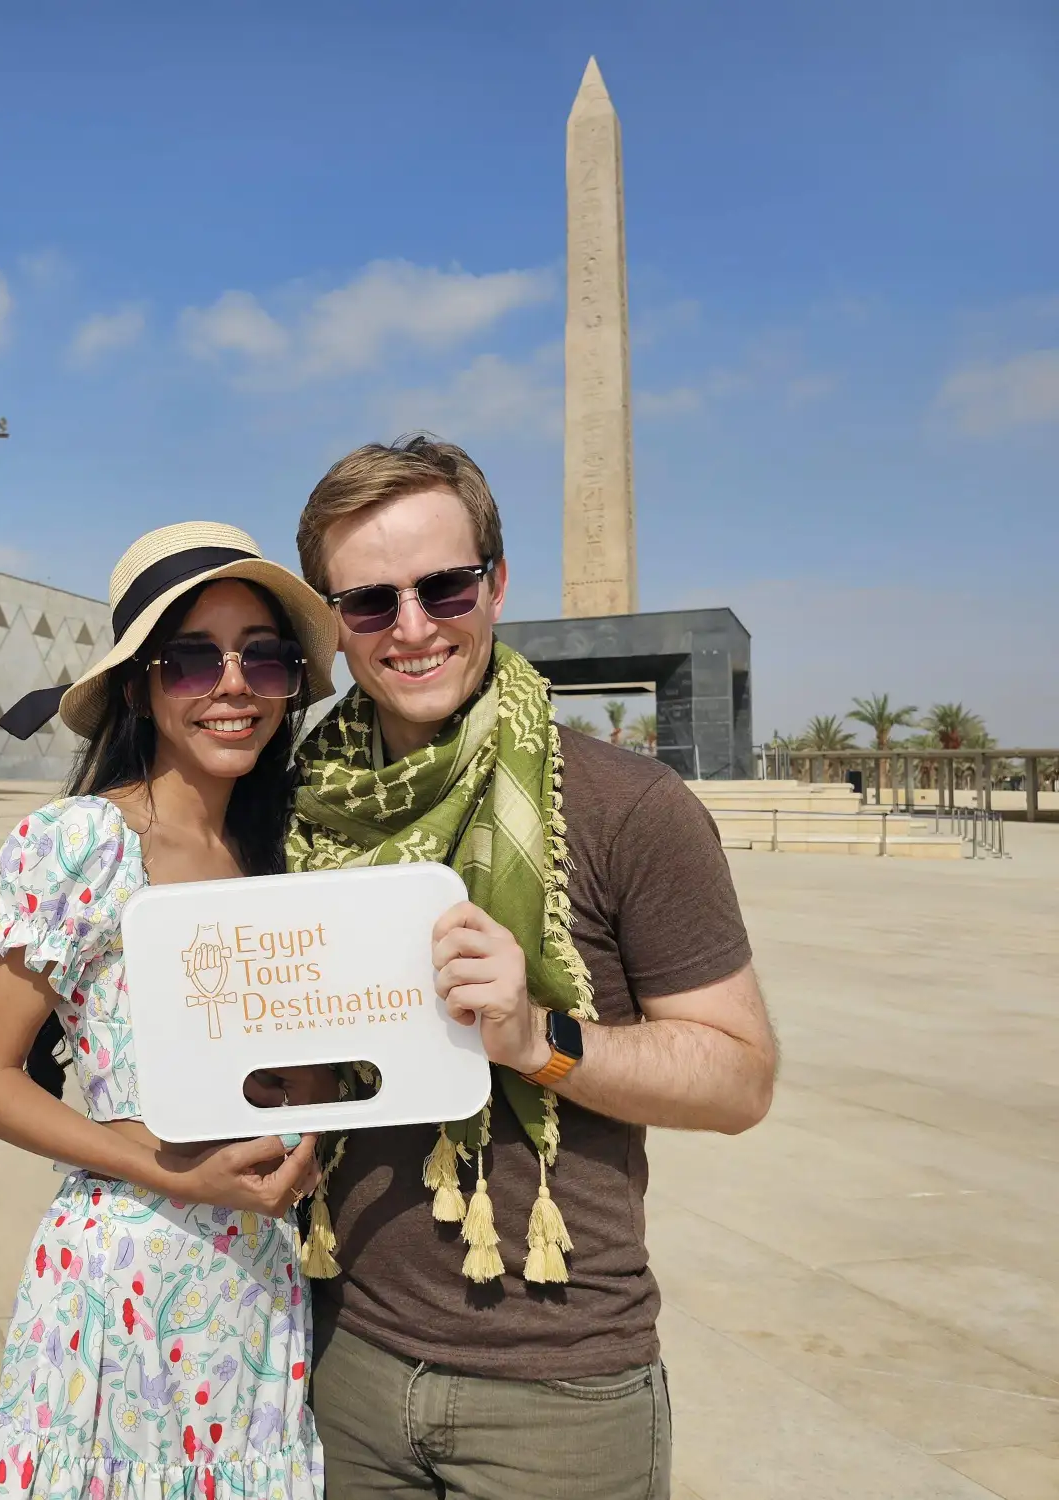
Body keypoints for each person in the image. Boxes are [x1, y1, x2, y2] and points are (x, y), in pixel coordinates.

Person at [286, 438, 777, 1500]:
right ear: (334, 622)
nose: (411, 628)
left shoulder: (629, 809)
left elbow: (739, 1078)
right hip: (338, 1365)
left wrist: (536, 1040)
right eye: (368, 602)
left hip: (553, 1399)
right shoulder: (296, 808)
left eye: (443, 587)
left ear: (495, 585)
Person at [0, 521, 342, 1500]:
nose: (231, 685)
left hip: (253, 1285)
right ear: (139, 686)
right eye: (191, 659)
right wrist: (167, 1165)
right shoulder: (85, 843)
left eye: (262, 656)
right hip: (120, 1291)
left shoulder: (277, 853)